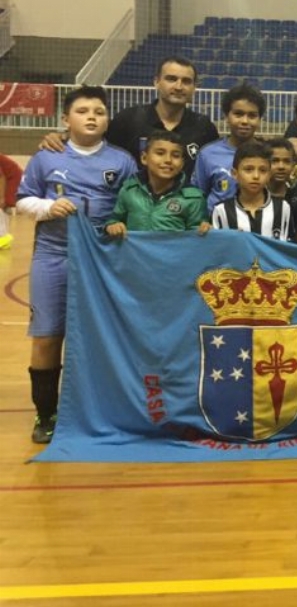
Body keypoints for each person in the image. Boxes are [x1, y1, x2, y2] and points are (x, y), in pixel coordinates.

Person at [15, 85, 138, 443]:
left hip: (102, 259)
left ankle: (95, 410)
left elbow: (133, 206)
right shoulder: (46, 157)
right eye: (83, 111)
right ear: (65, 119)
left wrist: (119, 225)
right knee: (47, 336)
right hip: (53, 256)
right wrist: (47, 207)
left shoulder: (122, 161)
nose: (91, 117)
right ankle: (46, 414)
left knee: (99, 337)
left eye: (99, 112)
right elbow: (22, 200)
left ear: (108, 120)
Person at [39, 56, 219, 179]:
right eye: (171, 79)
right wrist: (63, 136)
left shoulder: (204, 127)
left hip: (184, 214)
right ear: (156, 82)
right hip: (134, 213)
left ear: (194, 87)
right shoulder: (129, 119)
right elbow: (95, 144)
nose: (179, 86)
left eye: (186, 81)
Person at [105, 130, 209, 238]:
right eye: (160, 153)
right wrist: (112, 225)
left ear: (182, 163)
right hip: (135, 250)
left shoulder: (193, 198)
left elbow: (197, 237)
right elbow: (114, 219)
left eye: (176, 155)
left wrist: (204, 230)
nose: (168, 160)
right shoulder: (129, 190)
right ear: (144, 158)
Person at [193, 83, 265, 210]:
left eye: (252, 116)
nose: (245, 121)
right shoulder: (208, 154)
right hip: (216, 222)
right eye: (238, 114)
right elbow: (197, 196)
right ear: (226, 116)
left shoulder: (267, 153)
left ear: (259, 119)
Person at [210, 140, 294, 241]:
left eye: (262, 170)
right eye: (248, 169)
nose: (256, 176)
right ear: (234, 174)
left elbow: (289, 246)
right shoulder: (221, 210)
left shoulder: (283, 208)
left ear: (269, 175)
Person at [0, 153, 22, 250]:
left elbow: (1, 178)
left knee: (3, 204)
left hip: (12, 178)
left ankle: (3, 238)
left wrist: (1, 197)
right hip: (7, 177)